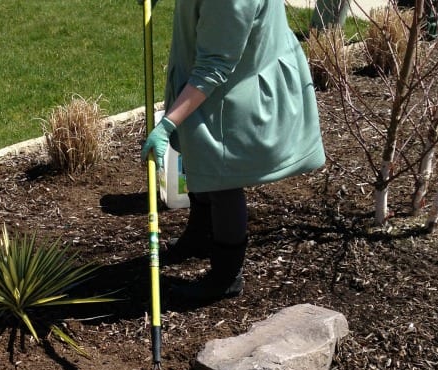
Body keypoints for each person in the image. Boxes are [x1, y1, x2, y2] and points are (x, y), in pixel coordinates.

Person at [139, 0, 326, 302]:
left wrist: (168, 123)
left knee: (222, 178)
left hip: (237, 91)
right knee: (200, 155)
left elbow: (215, 66)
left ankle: (226, 277)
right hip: (224, 81)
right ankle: (199, 238)